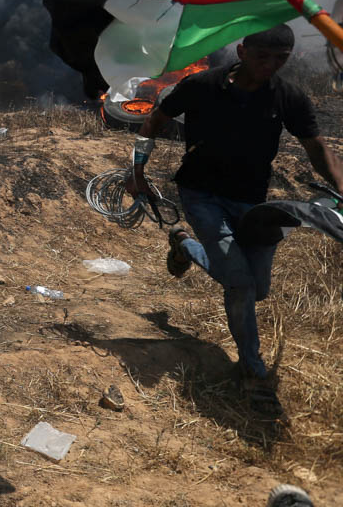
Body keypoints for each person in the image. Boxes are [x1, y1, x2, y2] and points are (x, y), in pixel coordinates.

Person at [129, 25, 343, 416]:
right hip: (201, 194)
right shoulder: (202, 85)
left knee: (255, 288)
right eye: (263, 57)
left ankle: (184, 245)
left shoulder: (287, 97)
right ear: (242, 52)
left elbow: (318, 150)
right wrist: (137, 169)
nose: (271, 66)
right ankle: (252, 370)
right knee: (241, 283)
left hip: (251, 203)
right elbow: (154, 120)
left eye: (281, 59)